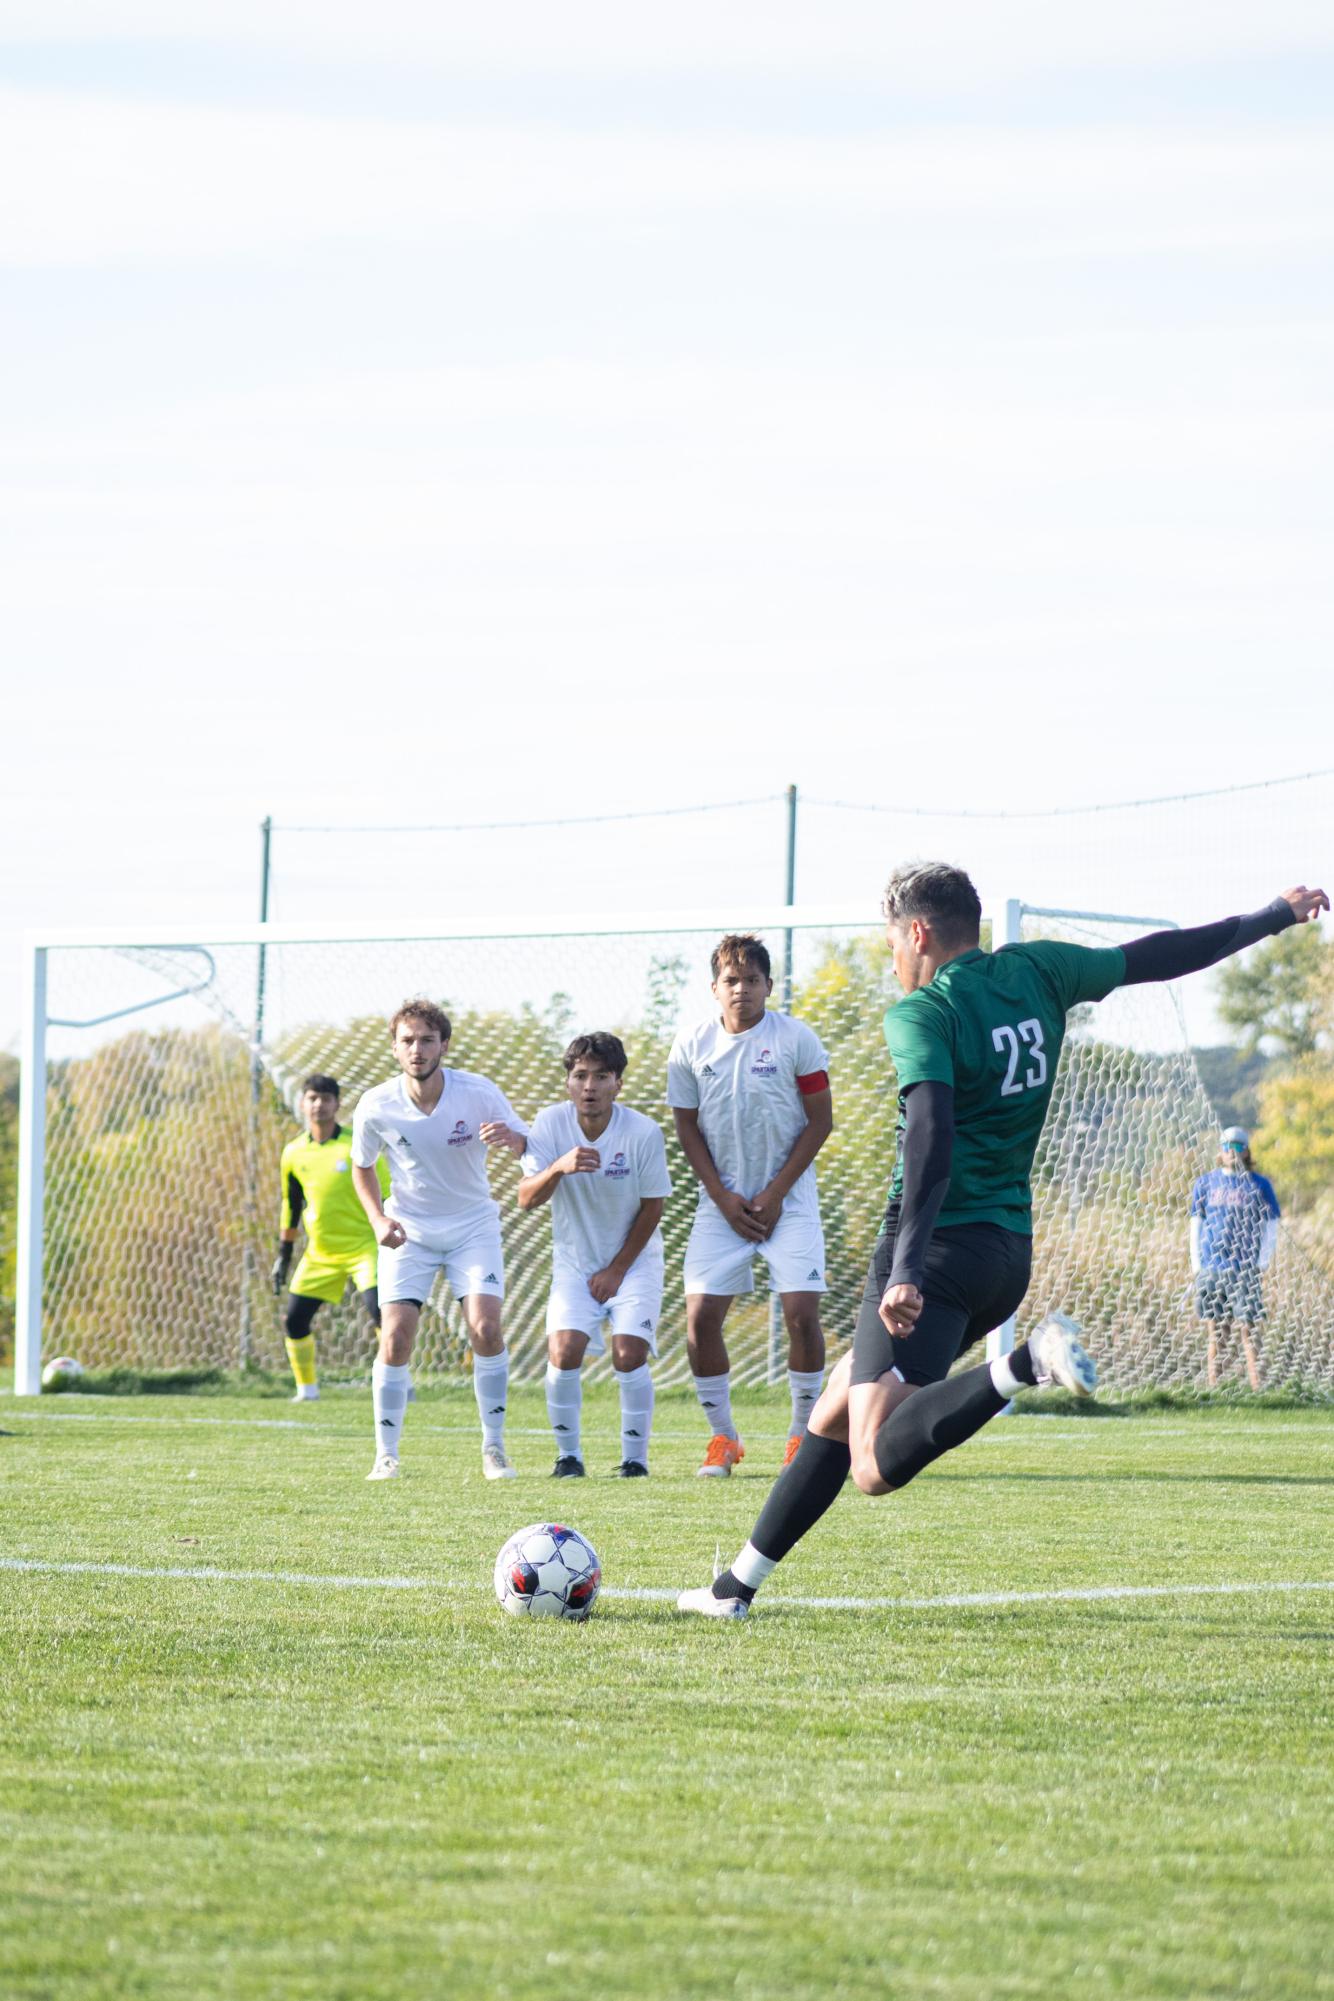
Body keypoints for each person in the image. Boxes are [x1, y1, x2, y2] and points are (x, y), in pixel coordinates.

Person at [678, 867, 1328, 1618]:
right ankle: (734, 1588)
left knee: (871, 1463)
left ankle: (1025, 1363)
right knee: (835, 1403)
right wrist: (1271, 917)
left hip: (933, 1254)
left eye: (891, 937)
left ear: (917, 933)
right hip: (1005, 1253)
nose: (890, 953)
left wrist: (908, 1269)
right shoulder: (1038, 969)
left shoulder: (923, 1012)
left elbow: (929, 1135)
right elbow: (1161, 953)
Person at [667, 934, 834, 1476]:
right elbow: (686, 1127)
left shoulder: (796, 1039)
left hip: (790, 1200)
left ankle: (801, 1437)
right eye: (731, 981)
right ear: (714, 988)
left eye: (752, 980)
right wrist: (722, 1197)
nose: (742, 989)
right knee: (700, 1320)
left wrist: (775, 1194)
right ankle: (724, 1440)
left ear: (768, 985)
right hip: (721, 1204)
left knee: (802, 1317)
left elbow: (820, 1121)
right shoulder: (690, 1044)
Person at [351, 1000, 527, 1483]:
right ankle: (385, 1455)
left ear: (444, 1045)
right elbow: (362, 1165)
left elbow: (525, 1140)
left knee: (486, 1330)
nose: (417, 1049)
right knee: (395, 1337)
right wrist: (377, 1219)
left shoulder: (478, 1093)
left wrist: (513, 1141)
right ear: (394, 1047)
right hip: (410, 1230)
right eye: (407, 1040)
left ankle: (494, 1447)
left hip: (473, 1225)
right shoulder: (376, 1103)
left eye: (427, 1039)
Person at [517, 1032, 673, 1478]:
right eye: (580, 1075)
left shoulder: (642, 1131)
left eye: (601, 1076)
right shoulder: (549, 1124)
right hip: (575, 1265)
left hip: (634, 1263)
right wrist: (558, 1167)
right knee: (563, 1350)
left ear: (618, 1083)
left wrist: (617, 1270)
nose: (589, 1086)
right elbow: (526, 1198)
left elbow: (654, 1205)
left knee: (628, 1353)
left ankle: (634, 1462)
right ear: (568, 1081)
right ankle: (568, 1458)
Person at [272, 1074, 390, 1402]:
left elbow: (388, 1193)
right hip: (320, 1252)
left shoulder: (357, 1145)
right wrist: (284, 1253)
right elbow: (291, 1204)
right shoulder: (293, 1153)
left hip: (365, 1247)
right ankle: (307, 1390)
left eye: (326, 1098)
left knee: (385, 1315)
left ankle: (398, 1384)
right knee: (294, 1321)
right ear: (302, 1103)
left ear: (338, 1104)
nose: (319, 1104)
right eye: (312, 1097)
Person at [1190, 1127, 1280, 1392]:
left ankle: (1258, 1389)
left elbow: (1271, 1225)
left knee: (1248, 1332)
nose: (1232, 1151)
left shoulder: (1259, 1184)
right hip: (1212, 1269)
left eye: (1238, 1146)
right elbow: (1196, 1223)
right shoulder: (1205, 1183)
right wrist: (1196, 1264)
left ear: (1247, 1150)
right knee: (1217, 1333)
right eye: (1227, 1146)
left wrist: (1263, 1261)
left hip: (1244, 1270)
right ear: (1220, 1150)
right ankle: (1214, 1388)